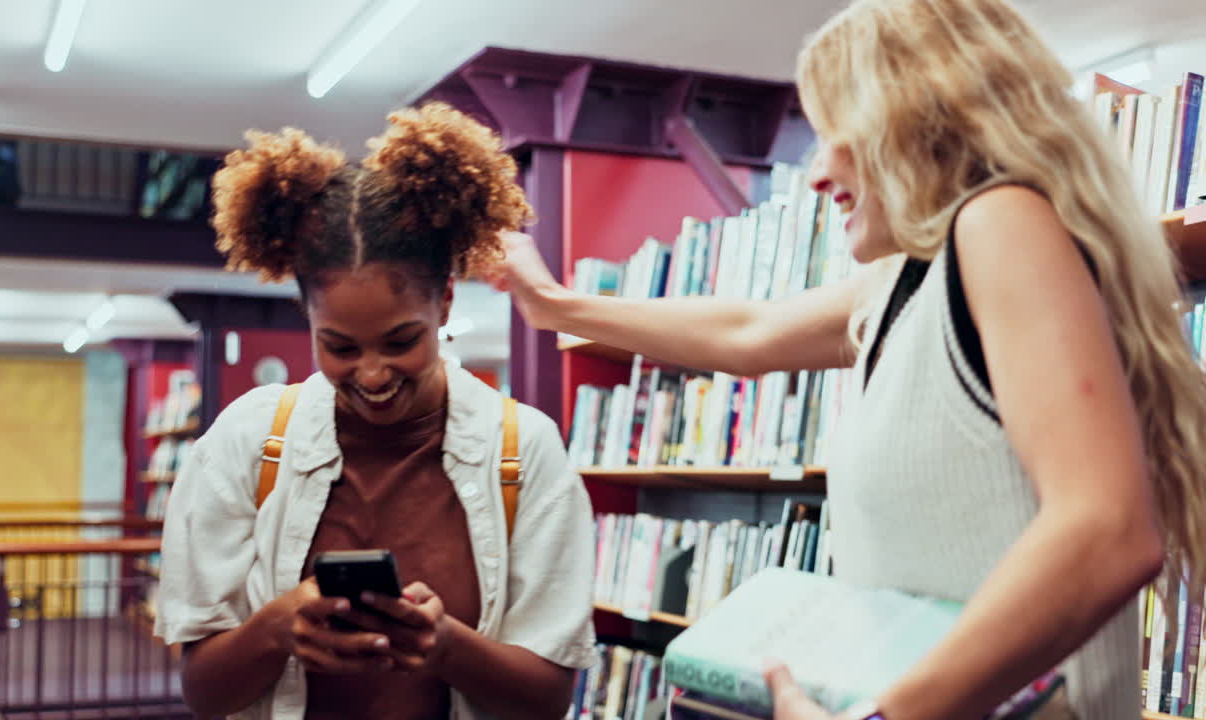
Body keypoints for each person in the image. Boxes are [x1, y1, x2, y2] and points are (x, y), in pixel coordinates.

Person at [488, 0, 1206, 718]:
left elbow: (1109, 530)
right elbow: (749, 332)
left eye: (837, 134)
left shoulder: (1000, 223)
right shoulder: (907, 278)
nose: (816, 173)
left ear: (920, 118)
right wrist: (554, 306)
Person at [154, 103, 597, 720]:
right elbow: (204, 693)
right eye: (339, 347)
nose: (371, 375)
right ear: (307, 317)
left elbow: (547, 699)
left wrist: (447, 648)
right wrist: (277, 629)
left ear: (444, 302)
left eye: (400, 342)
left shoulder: (525, 450)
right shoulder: (247, 442)